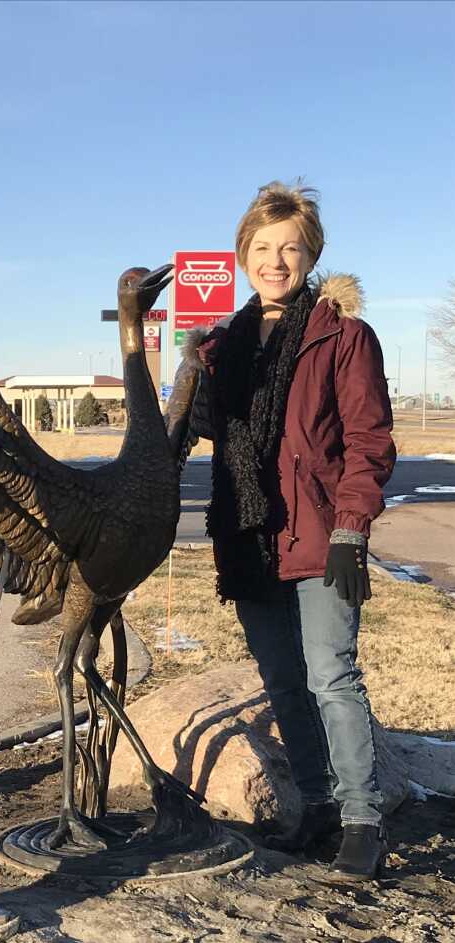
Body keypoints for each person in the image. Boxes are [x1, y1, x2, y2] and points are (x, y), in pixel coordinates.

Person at [181, 180, 395, 881]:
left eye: (291, 249)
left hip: (321, 533)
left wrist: (351, 529)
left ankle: (362, 817)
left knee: (332, 675)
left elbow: (368, 441)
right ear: (245, 254)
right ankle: (317, 811)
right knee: (284, 682)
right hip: (249, 536)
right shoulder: (226, 348)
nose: (277, 261)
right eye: (264, 248)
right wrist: (186, 367)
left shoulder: (342, 334)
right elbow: (200, 432)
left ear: (312, 255)